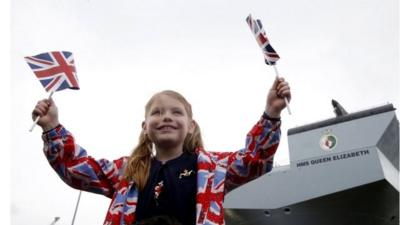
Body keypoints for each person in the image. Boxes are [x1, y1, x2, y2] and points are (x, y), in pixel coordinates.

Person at [32, 77, 291, 225]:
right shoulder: (126, 171)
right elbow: (76, 170)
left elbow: (255, 159)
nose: (166, 117)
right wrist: (52, 128)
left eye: (176, 112)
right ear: (145, 127)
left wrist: (272, 112)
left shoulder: (213, 169)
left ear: (190, 127)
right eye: (157, 112)